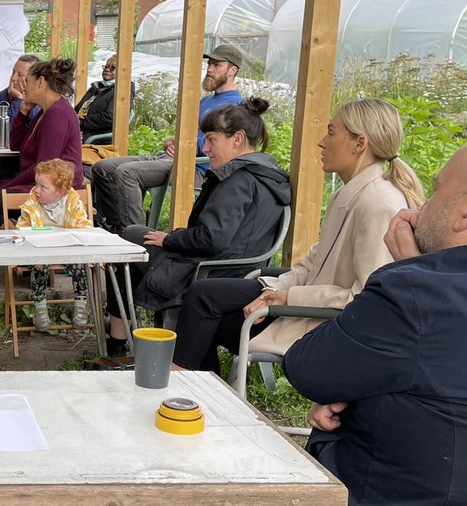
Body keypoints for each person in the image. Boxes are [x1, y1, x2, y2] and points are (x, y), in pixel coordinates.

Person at [243, 142, 467, 506]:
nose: (419, 204)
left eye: (436, 188)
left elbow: (307, 367)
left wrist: (412, 272)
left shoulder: (420, 297)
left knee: (232, 501)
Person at [173, 98, 424, 374]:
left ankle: (186, 383)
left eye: (330, 133)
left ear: (359, 143)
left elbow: (365, 298)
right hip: (303, 300)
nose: (321, 142)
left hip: (319, 322)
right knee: (202, 295)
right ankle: (192, 385)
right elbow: (314, 263)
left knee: (208, 316)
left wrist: (289, 297)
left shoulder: (379, 204)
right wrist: (276, 288)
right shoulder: (349, 193)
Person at [100, 97, 291, 360]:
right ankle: (130, 340)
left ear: (237, 139)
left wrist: (171, 239)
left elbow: (211, 239)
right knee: (137, 239)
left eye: (212, 139)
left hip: (210, 270)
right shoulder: (266, 173)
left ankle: (120, 342)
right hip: (241, 267)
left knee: (128, 239)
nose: (206, 147)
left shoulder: (237, 180)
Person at [87, 44, 246, 232]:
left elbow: (224, 147)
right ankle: (113, 228)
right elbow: (190, 134)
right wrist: (173, 140)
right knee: (102, 167)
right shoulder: (207, 101)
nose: (209, 69)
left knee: (126, 173)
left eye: (216, 65)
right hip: (172, 158)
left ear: (232, 70)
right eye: (209, 64)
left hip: (197, 168)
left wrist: (186, 145)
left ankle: (138, 239)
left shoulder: (236, 106)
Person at [0, 57, 84, 230]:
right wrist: (23, 111)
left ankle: (19, 241)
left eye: (27, 81)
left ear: (41, 82)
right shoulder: (45, 110)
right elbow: (15, 145)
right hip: (37, 181)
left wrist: (11, 184)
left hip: (53, 188)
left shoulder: (58, 114)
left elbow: (44, 166)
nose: (23, 86)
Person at [13, 159, 93, 332]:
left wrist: (73, 237)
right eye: (36, 184)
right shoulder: (32, 204)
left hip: (67, 248)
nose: (37, 190)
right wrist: (30, 234)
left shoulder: (73, 203)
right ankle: (40, 306)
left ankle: (80, 304)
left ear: (61, 191)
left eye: (43, 187)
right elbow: (21, 228)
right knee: (38, 265)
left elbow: (84, 227)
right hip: (42, 248)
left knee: (81, 265)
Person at [73, 54, 133, 141]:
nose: (107, 69)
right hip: (76, 131)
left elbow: (111, 118)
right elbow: (77, 109)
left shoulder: (123, 93)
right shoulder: (95, 89)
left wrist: (81, 122)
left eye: (113, 68)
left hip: (94, 138)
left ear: (122, 72)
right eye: (106, 66)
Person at [0, 53, 41, 127]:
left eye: (20, 75)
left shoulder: (41, 99)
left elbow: (34, 127)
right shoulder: (1, 97)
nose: (13, 78)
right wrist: (19, 100)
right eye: (13, 72)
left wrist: (27, 99)